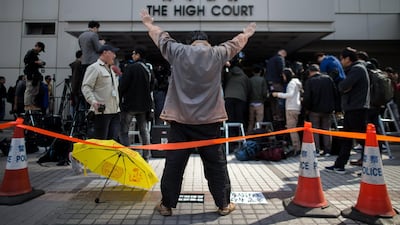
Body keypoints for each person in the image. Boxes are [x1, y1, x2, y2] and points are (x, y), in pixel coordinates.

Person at [140, 9, 256, 216]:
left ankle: (166, 205)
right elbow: (236, 43)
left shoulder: (177, 51)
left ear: (191, 42)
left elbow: (161, 37)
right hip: (209, 122)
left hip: (180, 121)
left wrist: (149, 23)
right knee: (215, 164)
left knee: (174, 164)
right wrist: (246, 32)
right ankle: (223, 205)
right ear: (207, 42)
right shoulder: (218, 53)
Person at [325, 47, 369, 174]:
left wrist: (342, 85)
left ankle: (372, 165)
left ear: (348, 59)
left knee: (363, 139)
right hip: (353, 108)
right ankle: (339, 165)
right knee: (347, 138)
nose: (341, 62)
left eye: (342, 59)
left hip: (357, 108)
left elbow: (343, 86)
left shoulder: (357, 69)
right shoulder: (356, 69)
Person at [119, 46, 154, 161]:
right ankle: (146, 156)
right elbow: (153, 85)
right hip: (144, 105)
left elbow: (123, 85)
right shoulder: (148, 68)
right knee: (144, 131)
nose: (132, 56)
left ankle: (127, 155)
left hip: (130, 104)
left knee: (124, 130)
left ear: (138, 55)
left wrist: (120, 99)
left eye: (134, 53)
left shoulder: (130, 68)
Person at [81, 45, 120, 140]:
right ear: (105, 53)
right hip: (101, 112)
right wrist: (93, 102)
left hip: (115, 111)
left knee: (112, 141)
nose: (114, 56)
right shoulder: (94, 68)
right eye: (112, 53)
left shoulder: (111, 70)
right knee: (100, 141)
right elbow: (86, 87)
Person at [303, 64, 339, 156]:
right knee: (327, 129)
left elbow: (307, 97)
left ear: (310, 72)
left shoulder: (309, 81)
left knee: (315, 130)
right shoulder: (328, 79)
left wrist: (307, 108)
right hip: (328, 110)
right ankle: (327, 150)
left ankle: (317, 150)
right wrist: (335, 107)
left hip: (314, 110)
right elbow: (335, 93)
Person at [272, 68, 302, 154]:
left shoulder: (291, 84)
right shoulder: (297, 83)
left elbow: (289, 94)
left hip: (291, 108)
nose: (283, 78)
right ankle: (296, 146)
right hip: (295, 107)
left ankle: (296, 148)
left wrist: (277, 94)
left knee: (292, 129)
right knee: (293, 128)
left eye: (284, 76)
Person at [265, 49, 287, 124]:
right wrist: (284, 78)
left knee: (273, 101)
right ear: (283, 54)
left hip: (270, 83)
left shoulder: (270, 60)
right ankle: (279, 117)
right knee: (279, 100)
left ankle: (274, 116)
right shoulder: (280, 59)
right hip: (277, 82)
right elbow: (281, 70)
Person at [23, 41, 45, 110]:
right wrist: (37, 62)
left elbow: (33, 63)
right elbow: (26, 61)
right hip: (30, 74)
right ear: (38, 47)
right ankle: (27, 105)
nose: (40, 51)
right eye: (40, 49)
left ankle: (31, 104)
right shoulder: (30, 52)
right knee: (29, 89)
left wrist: (40, 64)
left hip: (34, 74)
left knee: (34, 90)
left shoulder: (35, 54)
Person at [247, 64, 268, 131]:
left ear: (253, 72)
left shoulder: (250, 80)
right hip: (260, 103)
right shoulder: (262, 80)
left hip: (251, 103)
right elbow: (264, 92)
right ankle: (258, 137)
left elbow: (247, 91)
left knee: (251, 121)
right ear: (260, 71)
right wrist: (264, 99)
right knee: (259, 121)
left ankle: (249, 136)